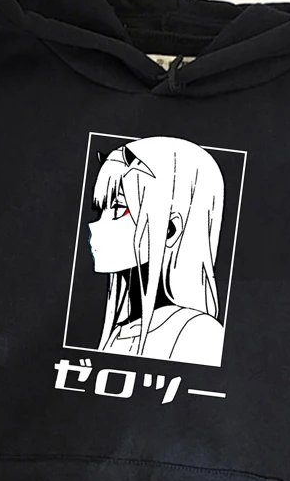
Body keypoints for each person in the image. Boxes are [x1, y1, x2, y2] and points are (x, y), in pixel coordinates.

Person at [87, 136, 226, 366]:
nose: (95, 226)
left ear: (170, 229)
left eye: (119, 208)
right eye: (100, 209)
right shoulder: (119, 333)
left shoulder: (199, 333)